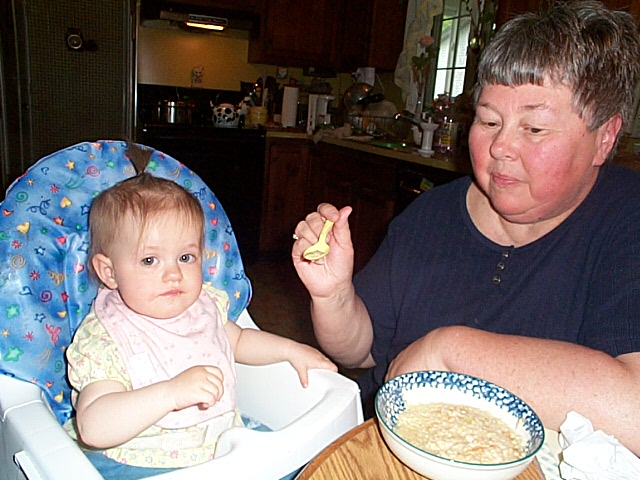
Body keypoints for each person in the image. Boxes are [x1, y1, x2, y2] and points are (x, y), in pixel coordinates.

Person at [292, 0, 640, 455]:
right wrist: (334, 295)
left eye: (534, 128)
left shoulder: (628, 219)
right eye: (488, 120)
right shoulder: (429, 215)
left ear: (604, 138)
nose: (500, 146)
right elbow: (360, 353)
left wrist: (449, 352)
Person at [65, 152, 336, 478]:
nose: (173, 274)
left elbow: (240, 341)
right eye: (150, 260)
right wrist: (171, 393)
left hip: (219, 442)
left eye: (185, 257)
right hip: (137, 460)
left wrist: (291, 350)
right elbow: (93, 427)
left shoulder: (204, 306)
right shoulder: (107, 337)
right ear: (109, 272)